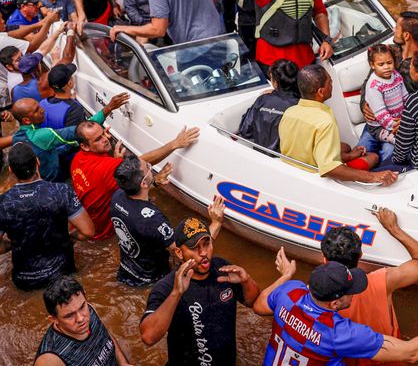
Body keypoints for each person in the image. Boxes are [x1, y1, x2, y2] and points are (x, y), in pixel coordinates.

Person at [253, 257, 418, 365]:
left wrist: (284, 276)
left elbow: (259, 304)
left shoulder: (290, 292)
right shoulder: (338, 333)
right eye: (351, 291)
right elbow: (410, 353)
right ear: (334, 303)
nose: (356, 293)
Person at [320, 208, 418, 366]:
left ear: (324, 259)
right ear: (360, 256)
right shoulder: (383, 280)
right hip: (392, 359)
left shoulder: (314, 295)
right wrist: (393, 228)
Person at [140, 217, 258, 365]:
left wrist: (246, 279)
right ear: (179, 252)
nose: (203, 253)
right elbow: (148, 337)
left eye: (206, 244)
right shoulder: (167, 287)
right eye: (195, 247)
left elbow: (252, 302)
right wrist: (176, 294)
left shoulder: (223, 269)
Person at [0, 145, 95, 291]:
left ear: (11, 170)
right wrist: (67, 237)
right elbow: (88, 231)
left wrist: (16, 244)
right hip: (62, 273)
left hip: (25, 280)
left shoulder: (2, 204)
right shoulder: (61, 191)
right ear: (38, 162)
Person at [70, 121, 199, 241]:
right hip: (104, 235)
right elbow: (139, 164)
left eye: (103, 133)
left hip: (83, 225)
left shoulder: (77, 159)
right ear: (85, 146)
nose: (105, 139)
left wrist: (116, 162)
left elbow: (105, 183)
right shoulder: (107, 167)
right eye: (98, 139)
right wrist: (174, 144)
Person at [112, 157, 225, 287]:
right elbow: (184, 250)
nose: (151, 168)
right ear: (143, 183)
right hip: (150, 279)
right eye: (148, 167)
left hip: (126, 270)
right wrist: (216, 222)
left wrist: (153, 182)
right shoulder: (153, 220)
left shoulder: (118, 196)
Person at [279, 65, 396, 185]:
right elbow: (329, 169)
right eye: (330, 82)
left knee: (345, 147)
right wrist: (373, 177)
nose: (332, 85)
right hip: (317, 176)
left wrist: (350, 156)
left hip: (295, 169)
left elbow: (307, 146)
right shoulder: (324, 120)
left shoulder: (289, 112)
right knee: (373, 157)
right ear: (321, 91)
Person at [0, 6, 53, 108]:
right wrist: (48, 23)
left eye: (2, 18)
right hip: (1, 98)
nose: (3, 21)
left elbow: (9, 35)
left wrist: (39, 24)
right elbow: (33, 46)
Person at [35, 276, 131, 366]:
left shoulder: (89, 309)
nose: (80, 318)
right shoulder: (50, 360)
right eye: (69, 315)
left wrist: (123, 363)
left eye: (82, 307)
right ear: (54, 319)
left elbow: (106, 336)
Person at [238, 58, 299, 151]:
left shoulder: (263, 99)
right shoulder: (301, 105)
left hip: (259, 155)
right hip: (284, 159)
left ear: (275, 82)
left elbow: (245, 130)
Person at [359, 45, 404, 166]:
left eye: (389, 63)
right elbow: (381, 114)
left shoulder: (397, 76)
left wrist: (406, 119)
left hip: (396, 122)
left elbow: (406, 97)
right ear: (372, 65)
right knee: (362, 149)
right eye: (381, 64)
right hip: (378, 126)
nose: (386, 67)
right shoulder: (374, 85)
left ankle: (385, 167)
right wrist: (398, 129)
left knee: (388, 152)